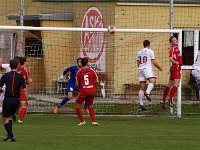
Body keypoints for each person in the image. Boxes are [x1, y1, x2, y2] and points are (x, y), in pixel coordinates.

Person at [0, 59, 27, 142]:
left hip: (7, 99)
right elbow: (24, 89)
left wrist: (2, 90)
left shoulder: (5, 75)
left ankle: (11, 135)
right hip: (16, 100)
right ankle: (9, 136)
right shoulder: (20, 77)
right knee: (10, 118)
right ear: (18, 66)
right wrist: (26, 98)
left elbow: (0, 87)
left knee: (5, 119)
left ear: (10, 66)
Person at [136, 40, 162, 111]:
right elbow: (153, 61)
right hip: (147, 69)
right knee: (153, 80)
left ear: (143, 45)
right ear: (149, 45)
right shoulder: (150, 51)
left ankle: (141, 103)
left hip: (140, 69)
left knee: (142, 87)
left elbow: (138, 63)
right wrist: (159, 67)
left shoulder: (138, 52)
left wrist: (141, 68)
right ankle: (147, 93)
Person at [75, 57, 99, 125]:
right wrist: (91, 84)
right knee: (90, 106)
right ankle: (93, 121)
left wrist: (79, 89)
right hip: (91, 90)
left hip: (84, 91)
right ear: (87, 63)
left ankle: (82, 121)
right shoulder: (92, 70)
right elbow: (97, 81)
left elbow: (76, 84)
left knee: (77, 105)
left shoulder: (79, 72)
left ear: (81, 63)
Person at [162, 36, 182, 108]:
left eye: (176, 40)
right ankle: (170, 100)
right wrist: (176, 62)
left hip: (175, 68)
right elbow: (170, 58)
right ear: (171, 42)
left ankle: (163, 99)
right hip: (176, 67)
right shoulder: (173, 49)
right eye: (173, 40)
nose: (175, 41)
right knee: (176, 84)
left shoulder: (177, 48)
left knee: (170, 84)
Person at [17, 57, 32, 124]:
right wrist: (30, 81)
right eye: (27, 61)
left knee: (15, 103)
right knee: (24, 105)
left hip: (12, 88)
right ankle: (20, 120)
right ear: (24, 62)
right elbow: (27, 82)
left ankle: (12, 114)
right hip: (21, 89)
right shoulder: (25, 71)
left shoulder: (15, 69)